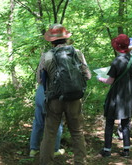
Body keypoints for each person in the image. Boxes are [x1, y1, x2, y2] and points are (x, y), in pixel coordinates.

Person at [39, 24, 91, 165]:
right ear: (66, 39)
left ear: (51, 40)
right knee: (77, 131)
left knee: (50, 133)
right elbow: (88, 76)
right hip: (74, 98)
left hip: (54, 99)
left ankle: (46, 162)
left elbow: (39, 80)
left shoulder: (46, 56)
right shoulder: (77, 52)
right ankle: (81, 162)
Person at [97, 34, 132, 157]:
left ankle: (107, 150)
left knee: (110, 123)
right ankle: (126, 150)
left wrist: (100, 78)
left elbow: (110, 81)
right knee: (125, 123)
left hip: (115, 97)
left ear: (117, 47)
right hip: (128, 97)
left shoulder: (116, 61)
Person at [29, 70, 64, 157]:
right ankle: (54, 150)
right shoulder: (63, 56)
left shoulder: (44, 57)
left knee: (38, 122)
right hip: (55, 91)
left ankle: (33, 149)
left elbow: (38, 78)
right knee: (57, 123)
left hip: (41, 89)